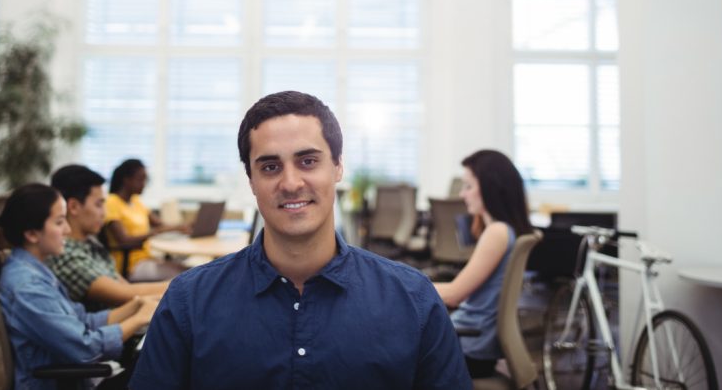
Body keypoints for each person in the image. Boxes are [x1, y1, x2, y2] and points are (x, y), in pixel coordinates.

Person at [130, 91, 471, 389]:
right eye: (270, 167)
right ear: (251, 180)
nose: (291, 183)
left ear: (337, 167)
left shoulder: (413, 300)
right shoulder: (189, 302)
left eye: (307, 161)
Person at [0, 183, 155, 390]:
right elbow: (85, 347)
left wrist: (136, 305)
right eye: (59, 222)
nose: (67, 230)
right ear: (32, 234)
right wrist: (140, 318)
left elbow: (82, 320)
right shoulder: (28, 286)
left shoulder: (35, 269)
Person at [433, 150, 533, 379]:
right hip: (471, 343)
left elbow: (453, 295)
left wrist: (402, 285)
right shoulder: (505, 230)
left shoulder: (497, 232)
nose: (462, 194)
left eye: (468, 186)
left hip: (467, 349)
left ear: (489, 188)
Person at [48, 164, 169, 310]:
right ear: (73, 207)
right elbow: (124, 294)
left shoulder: (90, 242)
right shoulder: (66, 254)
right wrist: (184, 284)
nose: (104, 214)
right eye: (98, 205)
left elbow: (127, 289)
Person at [104, 158, 186, 275]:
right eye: (140, 179)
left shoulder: (136, 201)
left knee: (189, 271)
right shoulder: (111, 202)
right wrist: (154, 232)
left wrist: (182, 227)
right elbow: (123, 240)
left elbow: (159, 224)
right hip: (130, 265)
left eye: (145, 180)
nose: (144, 184)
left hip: (148, 258)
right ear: (126, 180)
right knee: (183, 275)